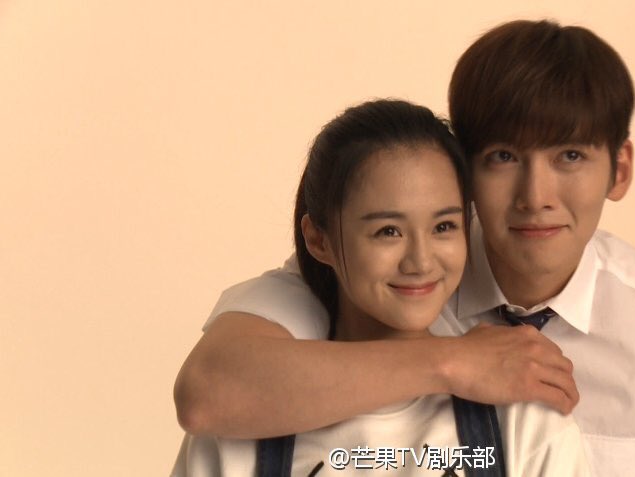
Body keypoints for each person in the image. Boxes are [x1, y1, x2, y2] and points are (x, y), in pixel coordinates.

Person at [174, 21, 635, 475]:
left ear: (620, 169)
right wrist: (453, 361)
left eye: (570, 155)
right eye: (503, 157)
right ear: (460, 170)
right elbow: (210, 393)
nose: (535, 196)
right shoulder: (392, 275)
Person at [172, 99, 590, 476]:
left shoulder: (521, 422)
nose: (420, 261)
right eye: (388, 231)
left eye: (444, 226)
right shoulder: (242, 425)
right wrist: (453, 360)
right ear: (318, 240)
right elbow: (206, 390)